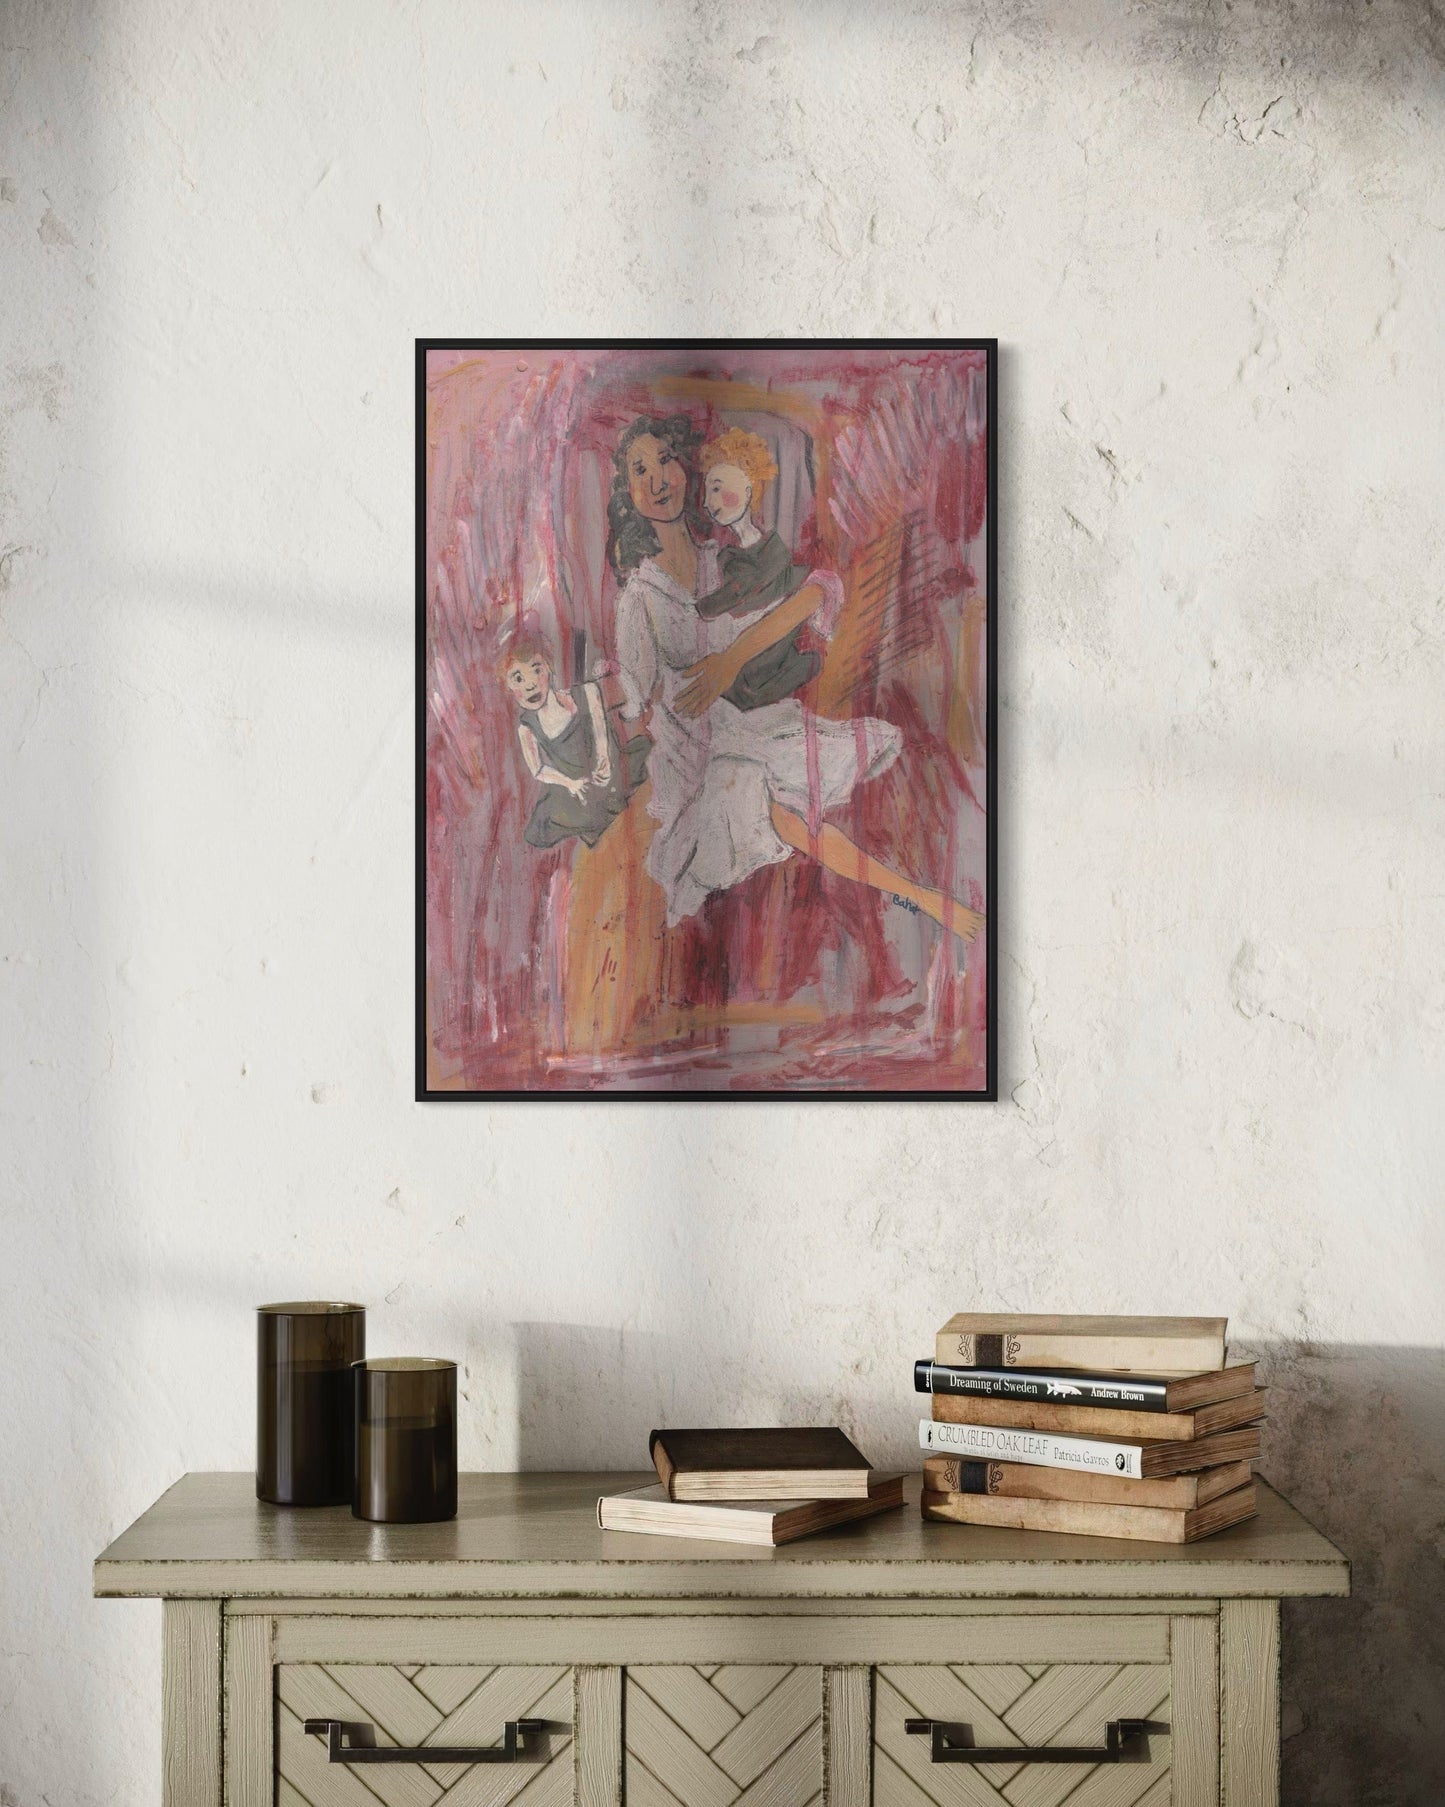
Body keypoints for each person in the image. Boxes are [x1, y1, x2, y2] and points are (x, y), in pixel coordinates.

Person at [608, 413, 984, 939]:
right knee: (773, 809)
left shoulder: (729, 559)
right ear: (628, 493)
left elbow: (818, 590)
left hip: (761, 721)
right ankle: (919, 896)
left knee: (789, 802)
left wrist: (730, 661)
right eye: (640, 471)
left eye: (666, 461)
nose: (658, 480)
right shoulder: (639, 598)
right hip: (695, 749)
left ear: (687, 470)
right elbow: (634, 698)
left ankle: (920, 896)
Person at [693, 426, 819, 710]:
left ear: (748, 488)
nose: (708, 502)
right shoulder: (722, 559)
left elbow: (797, 590)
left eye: (717, 488)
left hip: (771, 666)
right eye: (706, 492)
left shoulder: (776, 553)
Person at [499, 631, 648, 850]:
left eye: (536, 669)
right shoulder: (527, 728)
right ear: (510, 689)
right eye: (518, 678)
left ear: (549, 669)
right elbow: (538, 770)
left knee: (620, 783)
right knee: (562, 821)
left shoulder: (587, 692)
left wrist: (604, 761)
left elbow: (601, 733)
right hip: (572, 785)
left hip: (605, 769)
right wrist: (570, 783)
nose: (530, 684)